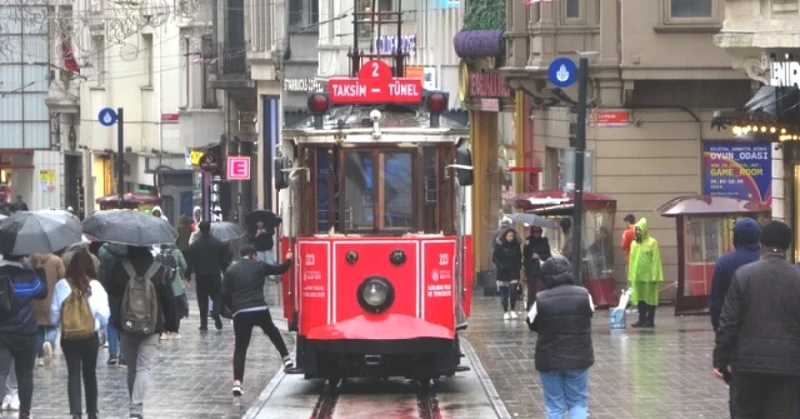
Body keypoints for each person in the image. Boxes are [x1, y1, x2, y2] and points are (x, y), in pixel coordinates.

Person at [713, 220, 800, 419]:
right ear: (788, 246)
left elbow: (728, 322)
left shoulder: (744, 275)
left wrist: (721, 360)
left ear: (761, 244)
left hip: (748, 366)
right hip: (789, 367)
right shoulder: (797, 277)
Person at [106, 245, 177, 419]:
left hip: (126, 325)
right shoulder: (158, 268)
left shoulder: (120, 267)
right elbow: (168, 297)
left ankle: (134, 403)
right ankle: (136, 408)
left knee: (132, 369)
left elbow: (112, 293)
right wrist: (171, 323)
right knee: (144, 368)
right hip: (151, 326)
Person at [221, 245, 294, 396]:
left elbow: (225, 294)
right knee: (272, 331)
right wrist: (289, 259)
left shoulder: (231, 270)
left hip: (241, 312)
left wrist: (233, 309)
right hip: (259, 308)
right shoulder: (259, 265)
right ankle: (286, 358)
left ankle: (237, 383)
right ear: (254, 255)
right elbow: (279, 269)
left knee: (240, 348)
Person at [527, 255, 594, 419]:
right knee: (578, 402)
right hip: (579, 357)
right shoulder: (584, 294)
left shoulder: (541, 299)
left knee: (555, 406)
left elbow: (531, 322)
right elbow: (589, 313)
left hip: (550, 359)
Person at [707, 218, 761, 419]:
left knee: (739, 399)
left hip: (737, 344)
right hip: (768, 343)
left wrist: (721, 344)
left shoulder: (725, 263)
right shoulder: (768, 262)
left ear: (735, 237)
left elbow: (716, 305)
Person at [51, 249, 110, 419]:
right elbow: (104, 315)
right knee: (90, 373)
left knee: (73, 372)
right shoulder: (96, 286)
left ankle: (76, 411)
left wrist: (60, 325)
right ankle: (92, 411)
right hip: (90, 336)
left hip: (69, 336)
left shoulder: (62, 285)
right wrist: (97, 325)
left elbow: (54, 312)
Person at [0, 253, 47, 419]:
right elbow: (42, 292)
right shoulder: (28, 275)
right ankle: (24, 411)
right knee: (25, 373)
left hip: (2, 331)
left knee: (1, 371)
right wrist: (39, 268)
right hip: (25, 331)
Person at [187, 221, 229, 331]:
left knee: (202, 299)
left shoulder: (194, 245)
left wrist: (187, 275)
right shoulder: (218, 243)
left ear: (200, 229)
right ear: (209, 229)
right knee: (217, 295)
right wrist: (226, 273)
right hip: (215, 274)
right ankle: (215, 311)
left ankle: (203, 324)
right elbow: (224, 261)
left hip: (200, 276)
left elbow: (190, 262)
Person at [627, 218, 663, 328]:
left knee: (650, 299)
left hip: (649, 277)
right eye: (636, 229)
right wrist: (631, 274)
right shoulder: (634, 244)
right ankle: (641, 319)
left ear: (644, 230)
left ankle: (650, 320)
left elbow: (656, 260)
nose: (638, 232)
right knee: (640, 298)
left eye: (640, 229)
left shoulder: (652, 243)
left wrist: (655, 275)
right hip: (638, 277)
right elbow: (632, 260)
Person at [31, 253, 64, 367]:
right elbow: (62, 277)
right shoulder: (56, 260)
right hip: (52, 298)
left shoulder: (32, 260)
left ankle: (40, 356)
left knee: (38, 329)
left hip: (36, 299)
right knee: (52, 326)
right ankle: (49, 343)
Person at [98, 243, 127, 365]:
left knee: (112, 321)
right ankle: (123, 356)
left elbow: (102, 274)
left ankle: (113, 354)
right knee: (125, 322)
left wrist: (106, 287)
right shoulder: (129, 251)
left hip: (111, 290)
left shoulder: (105, 253)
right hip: (126, 290)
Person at [157, 243, 188, 340]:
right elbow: (184, 266)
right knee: (177, 309)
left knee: (163, 307)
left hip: (162, 285)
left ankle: (164, 331)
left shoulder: (158, 253)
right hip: (176, 286)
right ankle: (174, 331)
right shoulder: (176, 251)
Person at [492, 228, 522, 320]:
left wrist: (518, 268)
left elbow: (519, 258)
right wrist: (501, 266)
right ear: (505, 236)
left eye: (512, 236)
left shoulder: (516, 246)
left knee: (513, 291)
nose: (511, 238)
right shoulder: (499, 246)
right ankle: (505, 311)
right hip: (503, 272)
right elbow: (494, 258)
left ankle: (512, 310)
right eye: (509, 236)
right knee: (504, 293)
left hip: (513, 272)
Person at [523, 225, 551, 311]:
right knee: (531, 287)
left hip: (541, 266)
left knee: (541, 286)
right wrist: (527, 246)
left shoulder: (544, 241)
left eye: (538, 232)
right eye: (535, 232)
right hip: (531, 267)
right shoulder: (528, 241)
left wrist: (539, 256)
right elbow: (525, 255)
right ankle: (531, 303)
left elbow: (548, 254)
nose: (536, 234)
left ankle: (540, 303)